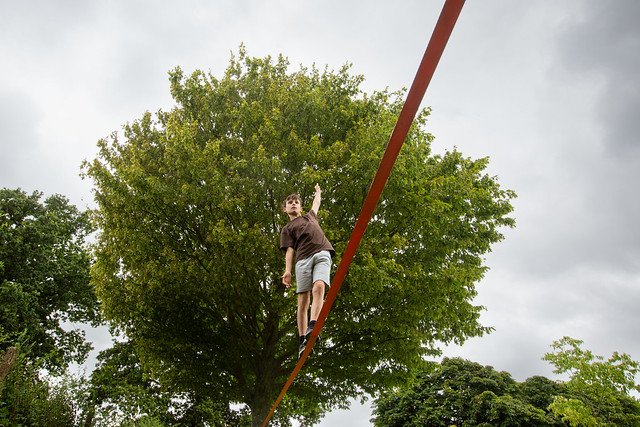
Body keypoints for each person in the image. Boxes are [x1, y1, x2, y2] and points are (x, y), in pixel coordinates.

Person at [280, 184, 335, 359]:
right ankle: (302, 339)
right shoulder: (287, 229)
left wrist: (319, 192)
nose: (294, 204)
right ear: (285, 209)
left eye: (296, 202)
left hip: (322, 253)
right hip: (302, 260)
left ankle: (313, 325)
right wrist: (287, 271)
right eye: (290, 202)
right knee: (302, 301)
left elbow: (316, 203)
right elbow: (289, 251)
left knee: (319, 286)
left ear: (301, 207)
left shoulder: (310, 216)